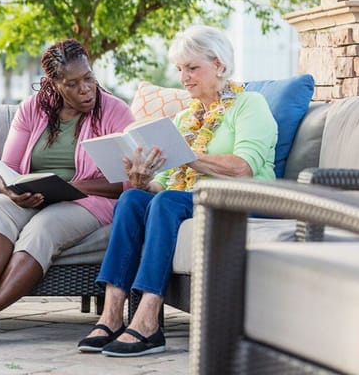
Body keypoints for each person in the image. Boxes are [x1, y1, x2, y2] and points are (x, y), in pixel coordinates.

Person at [77, 25, 278, 357]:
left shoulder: (249, 104)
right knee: (133, 198)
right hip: (192, 199)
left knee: (167, 203)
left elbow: (243, 167)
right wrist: (142, 179)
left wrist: (189, 156)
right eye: (180, 69)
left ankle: (148, 320)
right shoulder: (184, 118)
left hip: (247, 199)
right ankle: (112, 315)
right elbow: (167, 185)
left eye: (192, 67)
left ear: (220, 65)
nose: (184, 77)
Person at [0, 39, 135, 345]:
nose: (86, 89)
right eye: (73, 83)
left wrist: (70, 187)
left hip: (91, 201)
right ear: (53, 84)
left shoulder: (115, 112)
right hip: (37, 196)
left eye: (89, 78)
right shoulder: (33, 109)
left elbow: (125, 184)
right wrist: (12, 192)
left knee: (45, 226)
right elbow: (8, 168)